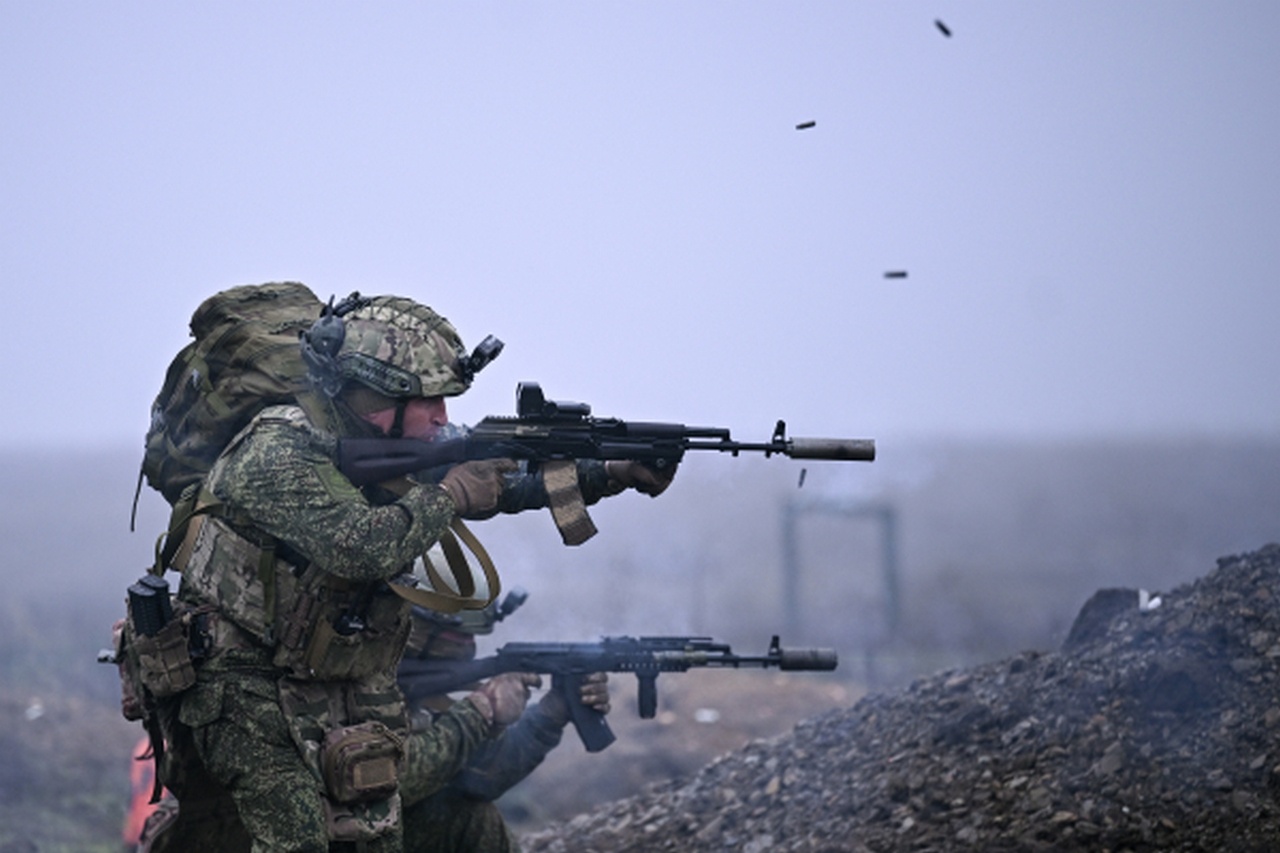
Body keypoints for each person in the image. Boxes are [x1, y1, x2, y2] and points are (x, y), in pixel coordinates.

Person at [153, 293, 674, 853]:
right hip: (241, 676)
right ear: (376, 396)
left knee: (376, 832)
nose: (443, 418)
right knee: (298, 839)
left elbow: (502, 480)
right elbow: (360, 548)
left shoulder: (391, 439)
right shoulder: (276, 450)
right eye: (429, 401)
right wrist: (449, 496)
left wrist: (609, 471)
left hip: (337, 671)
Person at [396, 597, 610, 853]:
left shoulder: (416, 694)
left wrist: (551, 713)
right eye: (454, 637)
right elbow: (395, 782)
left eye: (468, 638)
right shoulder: (359, 682)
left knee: (474, 818)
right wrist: (479, 711)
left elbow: (479, 779)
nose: (464, 648)